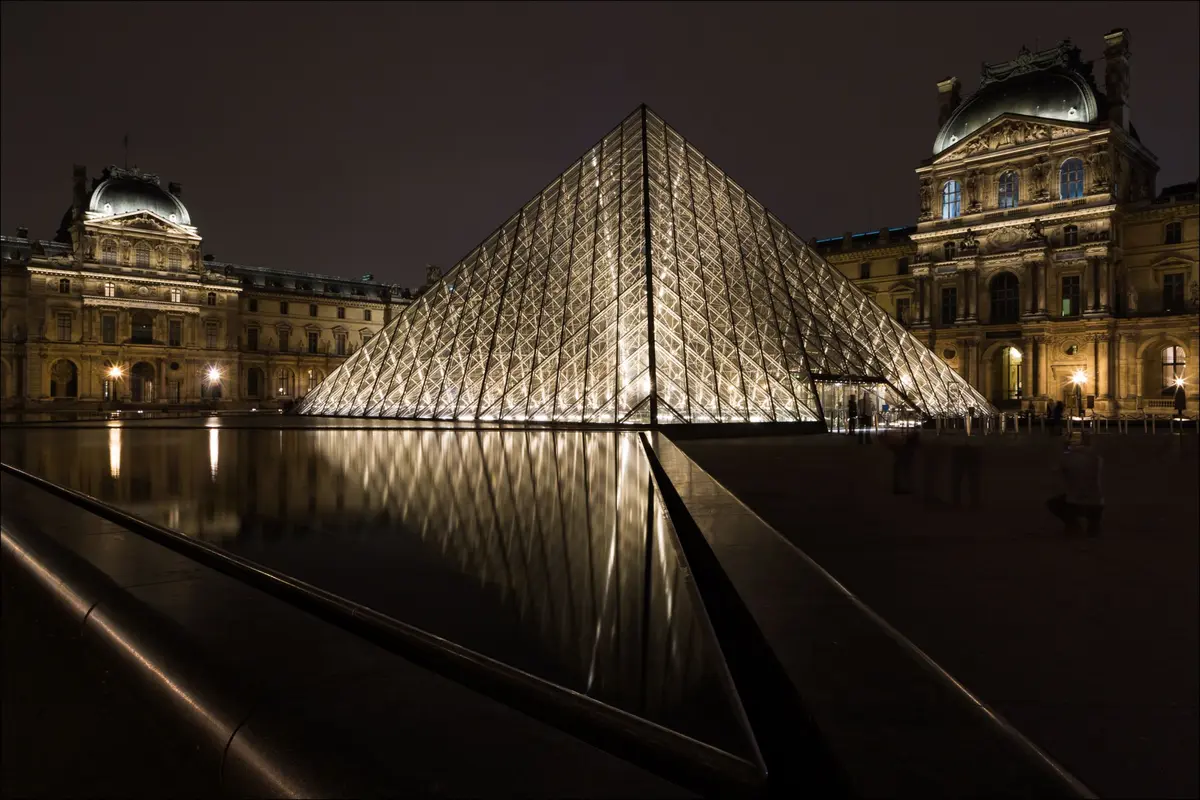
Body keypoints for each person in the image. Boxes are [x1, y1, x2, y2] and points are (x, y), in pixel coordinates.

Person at [1045, 431, 1104, 536]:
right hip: (1096, 502)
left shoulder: (1067, 458)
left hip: (1075, 502)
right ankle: (1093, 525)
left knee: (1053, 503)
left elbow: (1055, 471)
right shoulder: (1097, 458)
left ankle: (1073, 525)